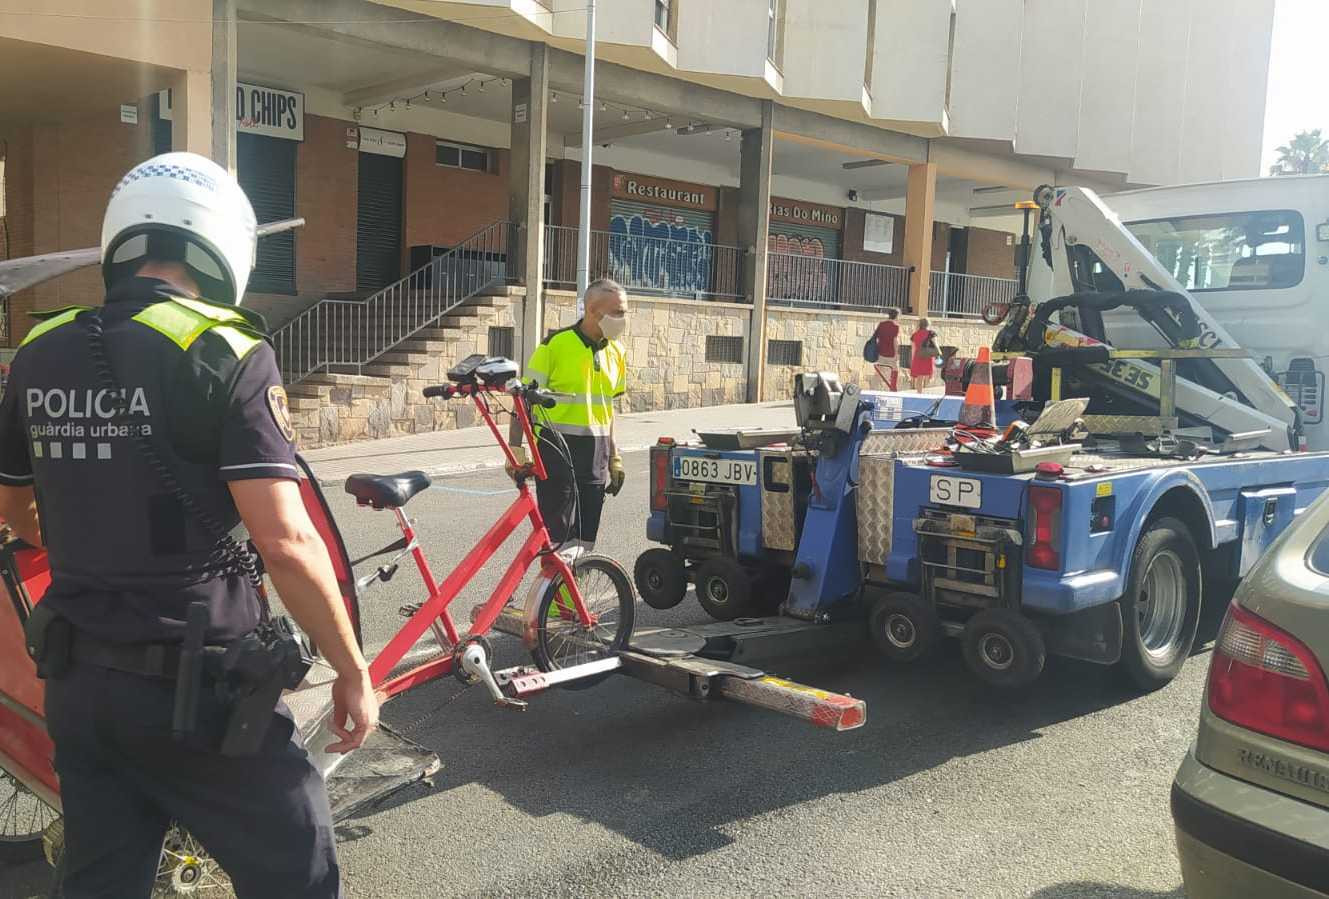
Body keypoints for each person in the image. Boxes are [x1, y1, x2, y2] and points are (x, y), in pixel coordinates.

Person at [0, 152, 377, 898]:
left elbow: (16, 509)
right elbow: (286, 542)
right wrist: (353, 670)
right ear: (221, 243)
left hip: (78, 684)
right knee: (297, 866)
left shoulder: (38, 350)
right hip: (197, 690)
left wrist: (95, 538)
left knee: (101, 880)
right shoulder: (226, 350)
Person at [509, 279, 628, 551]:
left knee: (585, 542)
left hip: (595, 454)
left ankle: (575, 592)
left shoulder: (618, 352)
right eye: (618, 312)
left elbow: (608, 409)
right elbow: (521, 400)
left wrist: (615, 457)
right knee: (557, 539)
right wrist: (515, 449)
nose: (623, 319)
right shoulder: (554, 346)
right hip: (556, 449)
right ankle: (550, 593)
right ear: (593, 311)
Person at [872, 308, 901, 390]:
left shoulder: (881, 324)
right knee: (895, 369)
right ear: (897, 316)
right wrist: (896, 354)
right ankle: (893, 387)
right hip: (891, 353)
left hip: (881, 352)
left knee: (879, 371)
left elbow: (877, 337)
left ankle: (874, 387)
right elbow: (895, 341)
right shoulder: (896, 326)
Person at [910, 317, 939, 392]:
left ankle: (919, 394)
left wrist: (913, 360)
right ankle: (926, 393)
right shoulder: (931, 333)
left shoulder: (914, 335)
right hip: (928, 356)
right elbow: (936, 345)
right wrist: (938, 354)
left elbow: (913, 349)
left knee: (920, 377)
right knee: (929, 375)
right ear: (928, 324)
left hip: (918, 357)